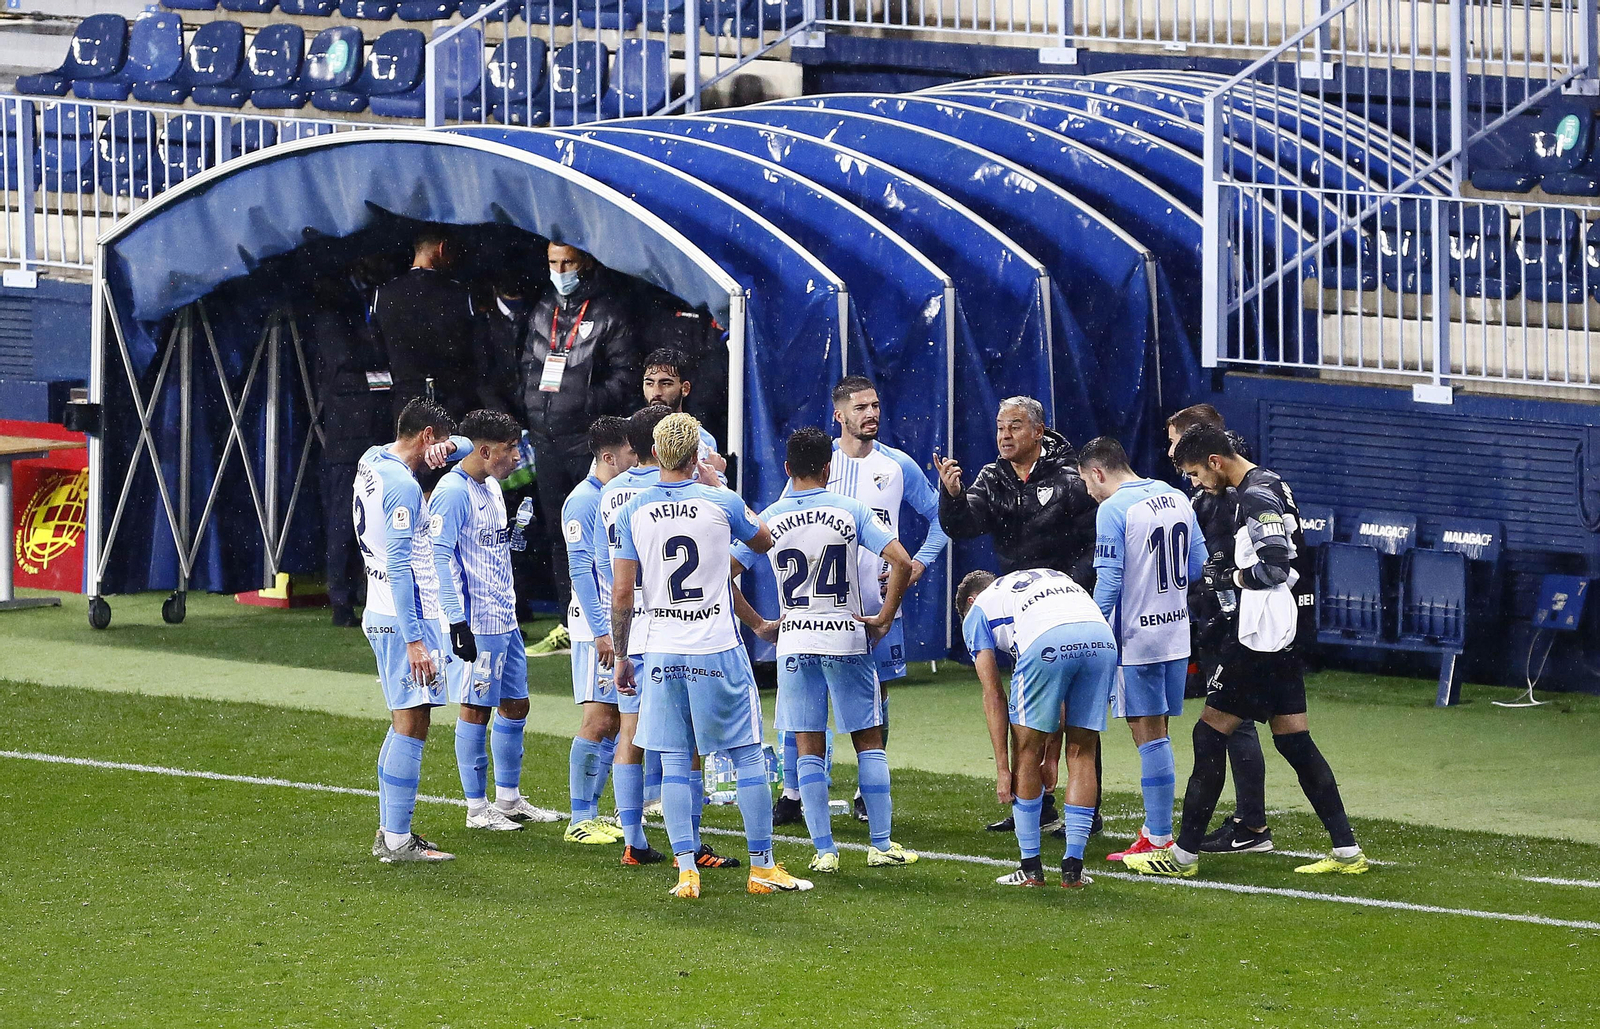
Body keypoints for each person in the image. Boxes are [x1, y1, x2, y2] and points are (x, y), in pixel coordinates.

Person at [1124, 425, 1369, 878]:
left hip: (1260, 636)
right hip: (1284, 635)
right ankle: (1348, 852)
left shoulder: (1253, 496)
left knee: (1208, 734)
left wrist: (1229, 578)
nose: (1195, 483)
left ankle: (1183, 857)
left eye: (1197, 473)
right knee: (1295, 742)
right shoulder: (1271, 482)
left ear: (1216, 461)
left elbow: (1275, 566)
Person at [612, 413, 814, 899]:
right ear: (696, 454)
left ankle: (686, 870)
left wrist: (622, 654)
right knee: (746, 755)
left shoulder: (631, 509)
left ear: (657, 454)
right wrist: (713, 483)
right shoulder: (721, 501)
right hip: (716, 647)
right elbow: (765, 541)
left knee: (677, 759)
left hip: (659, 648)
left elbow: (622, 595)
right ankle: (762, 867)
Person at [733, 427, 920, 873]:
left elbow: (724, 574)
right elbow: (902, 560)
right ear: (828, 467)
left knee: (808, 744)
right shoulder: (849, 509)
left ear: (786, 469)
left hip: (795, 638)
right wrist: (886, 616)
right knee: (868, 740)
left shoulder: (770, 518)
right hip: (846, 635)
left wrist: (760, 624)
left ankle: (824, 851)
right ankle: (881, 844)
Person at [772, 375, 948, 828]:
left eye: (875, 406)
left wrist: (918, 565)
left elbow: (941, 519)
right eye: (860, 407)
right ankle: (794, 791)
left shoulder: (897, 466)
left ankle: (867, 795)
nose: (871, 414)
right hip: (820, 608)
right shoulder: (814, 465)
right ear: (839, 414)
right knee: (807, 699)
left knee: (876, 697)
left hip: (876, 607)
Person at [935, 395, 1098, 835]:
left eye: (1015, 427)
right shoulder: (992, 478)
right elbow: (964, 526)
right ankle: (1036, 806)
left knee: (1073, 709)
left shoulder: (1070, 477)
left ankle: (1088, 808)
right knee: (1033, 707)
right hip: (1020, 607)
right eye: (1000, 427)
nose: (1004, 436)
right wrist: (951, 497)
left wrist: (1073, 587)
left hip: (1067, 604)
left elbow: (1094, 542)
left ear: (1038, 432)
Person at [595, 406, 738, 868]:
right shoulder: (691, 491)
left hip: (631, 620)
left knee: (629, 734)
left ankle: (634, 839)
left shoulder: (613, 494)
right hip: (675, 622)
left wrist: (614, 643)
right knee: (687, 740)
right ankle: (690, 845)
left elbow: (608, 566)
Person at [431, 410, 561, 834]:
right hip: (477, 621)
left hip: (504, 618)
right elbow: (439, 557)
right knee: (475, 708)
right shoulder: (451, 492)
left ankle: (508, 799)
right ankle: (475, 808)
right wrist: (456, 622)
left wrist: (517, 533)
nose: (518, 458)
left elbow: (491, 547)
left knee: (516, 704)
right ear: (484, 450)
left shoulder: (489, 486)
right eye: (510, 450)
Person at [1079, 436, 1206, 864]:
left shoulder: (1113, 510)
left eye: (1088, 484)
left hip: (1137, 640)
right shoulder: (1175, 496)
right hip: (1176, 633)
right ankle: (1155, 830)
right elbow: (1197, 565)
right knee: (1160, 734)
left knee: (1147, 735)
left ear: (1098, 472)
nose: (1090, 493)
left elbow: (1111, 581)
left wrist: (1092, 631)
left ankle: (1159, 841)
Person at [354, 398, 464, 864]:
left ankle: (390, 830)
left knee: (406, 718)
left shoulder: (372, 458)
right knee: (413, 722)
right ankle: (396, 839)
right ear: (426, 438)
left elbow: (465, 447)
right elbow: (400, 565)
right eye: (439, 442)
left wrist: (450, 444)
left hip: (380, 611)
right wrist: (415, 639)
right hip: (403, 620)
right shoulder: (401, 486)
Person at [521, 242, 644, 657]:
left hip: (587, 441)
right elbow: (527, 367)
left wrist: (583, 404)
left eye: (567, 262)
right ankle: (567, 620)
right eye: (553, 263)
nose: (560, 270)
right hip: (547, 438)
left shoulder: (609, 312)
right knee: (561, 533)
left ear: (585, 261)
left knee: (603, 534)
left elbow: (627, 376)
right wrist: (534, 409)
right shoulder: (541, 309)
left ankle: (614, 617)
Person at [958, 567, 1116, 889]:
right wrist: (1054, 758)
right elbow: (1056, 691)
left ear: (971, 601)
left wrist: (1003, 768)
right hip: (1100, 636)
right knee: (1084, 752)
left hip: (1048, 640)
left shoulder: (976, 612)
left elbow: (994, 694)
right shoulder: (1038, 582)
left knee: (1026, 753)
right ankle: (1073, 870)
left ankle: (1031, 870)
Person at [1166, 404, 1275, 855]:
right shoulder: (1225, 484)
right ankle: (1250, 824)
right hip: (1226, 615)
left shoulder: (1234, 490)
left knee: (1232, 723)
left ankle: (1250, 826)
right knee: (1281, 732)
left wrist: (1220, 585)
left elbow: (1238, 555)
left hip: (1235, 619)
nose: (1170, 450)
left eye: (1175, 441)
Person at [559, 416, 642, 854]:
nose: (636, 460)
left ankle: (595, 812)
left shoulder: (615, 495)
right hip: (597, 627)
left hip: (614, 625)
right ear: (609, 457)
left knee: (615, 719)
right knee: (599, 719)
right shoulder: (583, 501)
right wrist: (601, 631)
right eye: (631, 453)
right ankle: (580, 818)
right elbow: (581, 572)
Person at [308, 268, 391, 628]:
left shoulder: (372, 305)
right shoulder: (333, 313)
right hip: (347, 434)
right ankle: (340, 599)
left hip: (376, 428)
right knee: (345, 517)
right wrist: (378, 354)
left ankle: (364, 592)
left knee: (374, 516)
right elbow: (348, 358)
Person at [371, 229, 478, 422]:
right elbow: (479, 353)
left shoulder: (384, 294)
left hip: (406, 403)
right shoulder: (460, 293)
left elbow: (377, 354)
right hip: (454, 402)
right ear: (442, 248)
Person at [642, 347, 726, 477]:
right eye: (649, 384)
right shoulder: (627, 434)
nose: (656, 393)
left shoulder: (703, 440)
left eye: (666, 384)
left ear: (685, 388)